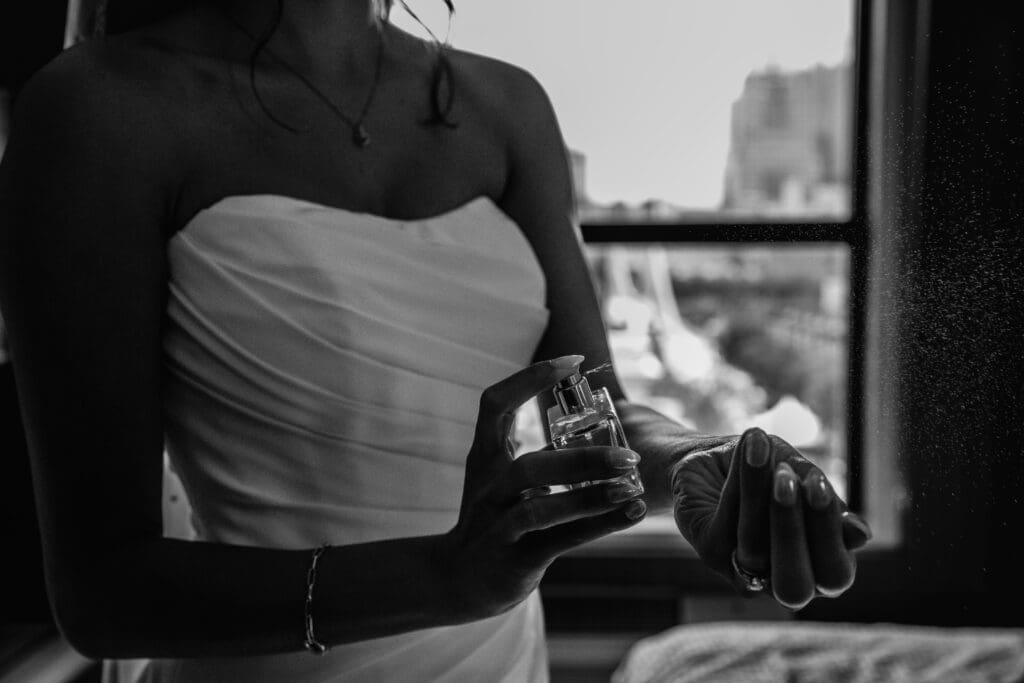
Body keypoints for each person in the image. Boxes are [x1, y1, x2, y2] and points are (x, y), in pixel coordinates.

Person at [0, 0, 871, 680]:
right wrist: (443, 578)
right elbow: (103, 592)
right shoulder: (98, 113)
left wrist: (695, 456)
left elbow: (594, 416)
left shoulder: (510, 107)